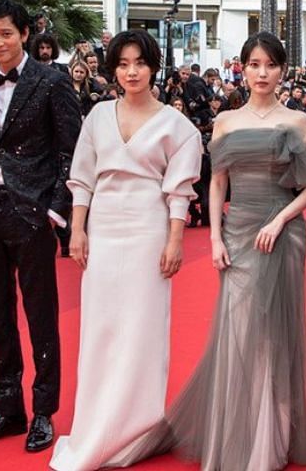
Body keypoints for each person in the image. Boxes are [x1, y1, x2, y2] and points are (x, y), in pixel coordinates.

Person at [134, 30, 306, 470]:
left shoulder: (296, 121)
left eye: (270, 65)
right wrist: (216, 236)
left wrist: (280, 219)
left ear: (282, 71)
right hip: (237, 234)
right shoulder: (225, 121)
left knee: (273, 333)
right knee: (238, 331)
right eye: (254, 64)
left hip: (281, 231)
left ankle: (268, 439)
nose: (262, 73)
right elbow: (217, 182)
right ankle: (239, 427)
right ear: (243, 67)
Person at [50, 30, 202, 471]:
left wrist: (175, 239)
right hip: (103, 226)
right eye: (122, 64)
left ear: (153, 66)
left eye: (139, 63)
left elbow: (179, 192)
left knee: (143, 330)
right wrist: (76, 231)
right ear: (112, 69)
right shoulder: (97, 115)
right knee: (100, 330)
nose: (131, 71)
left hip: (149, 230)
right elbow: (82, 178)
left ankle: (138, 426)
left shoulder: (178, 127)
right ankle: (97, 425)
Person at [0, 0, 81, 452]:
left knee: (40, 315)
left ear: (25, 34)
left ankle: (43, 412)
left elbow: (70, 151)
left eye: (6, 33)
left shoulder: (52, 81)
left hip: (31, 212)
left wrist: (54, 209)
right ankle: (7, 410)